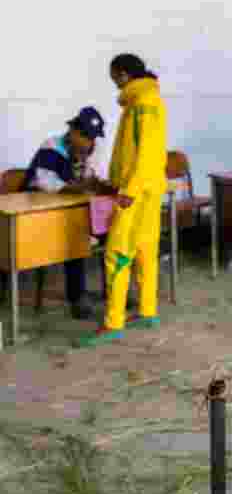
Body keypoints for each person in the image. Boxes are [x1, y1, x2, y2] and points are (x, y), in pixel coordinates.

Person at [77, 54, 168, 347]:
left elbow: (146, 153)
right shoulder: (143, 100)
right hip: (146, 189)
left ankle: (114, 322)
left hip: (135, 192)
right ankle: (147, 310)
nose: (113, 82)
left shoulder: (143, 103)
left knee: (118, 252)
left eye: (114, 76)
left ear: (124, 74)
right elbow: (140, 152)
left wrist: (127, 189)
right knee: (144, 249)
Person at [23, 107, 107, 320]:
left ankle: (115, 289)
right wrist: (78, 186)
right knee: (74, 233)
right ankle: (77, 296)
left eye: (94, 137)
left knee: (112, 230)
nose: (90, 143)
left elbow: (93, 177)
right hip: (40, 212)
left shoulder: (93, 149)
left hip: (75, 208)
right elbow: (44, 183)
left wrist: (96, 182)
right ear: (72, 131)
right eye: (86, 136)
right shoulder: (51, 147)